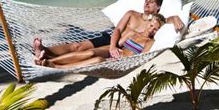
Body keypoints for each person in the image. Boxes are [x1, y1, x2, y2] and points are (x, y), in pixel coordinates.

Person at [33, 0, 184, 63]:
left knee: (89, 55)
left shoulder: (155, 22)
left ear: (158, 7)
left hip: (121, 50)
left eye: (150, 2)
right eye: (146, 0)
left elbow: (171, 20)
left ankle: (49, 60)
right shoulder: (132, 14)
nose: (146, 3)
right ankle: (45, 51)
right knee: (77, 46)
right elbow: (118, 30)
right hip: (111, 39)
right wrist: (112, 47)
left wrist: (176, 18)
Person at [36, 14, 166, 69]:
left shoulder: (150, 42)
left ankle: (55, 66)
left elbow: (142, 58)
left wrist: (123, 60)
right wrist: (113, 48)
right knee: (90, 52)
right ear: (148, 22)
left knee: (97, 60)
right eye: (151, 26)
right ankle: (48, 58)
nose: (152, 30)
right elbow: (118, 42)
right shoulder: (132, 33)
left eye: (156, 29)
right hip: (112, 51)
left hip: (122, 60)